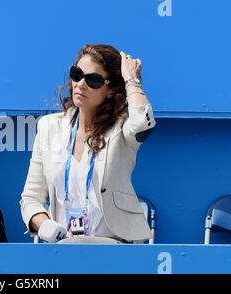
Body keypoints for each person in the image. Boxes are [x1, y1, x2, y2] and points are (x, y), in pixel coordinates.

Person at [20, 44, 156, 244]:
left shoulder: (121, 128)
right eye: (77, 74)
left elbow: (142, 125)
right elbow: (30, 198)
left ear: (110, 91)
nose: (80, 84)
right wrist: (49, 227)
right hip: (63, 246)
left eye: (93, 80)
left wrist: (132, 81)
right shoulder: (48, 127)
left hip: (113, 245)